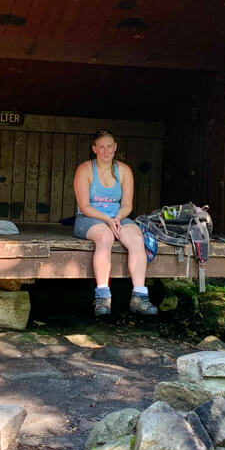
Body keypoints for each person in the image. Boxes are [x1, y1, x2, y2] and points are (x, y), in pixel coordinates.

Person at [73, 129, 157, 317]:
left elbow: (127, 205)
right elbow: (85, 206)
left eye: (109, 146)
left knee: (137, 238)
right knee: (105, 237)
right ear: (94, 148)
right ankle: (103, 297)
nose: (105, 150)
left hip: (117, 216)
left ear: (115, 147)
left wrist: (116, 219)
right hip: (89, 219)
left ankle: (139, 296)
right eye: (101, 147)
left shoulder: (124, 171)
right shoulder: (85, 169)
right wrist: (108, 221)